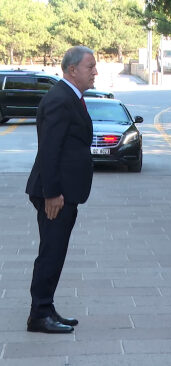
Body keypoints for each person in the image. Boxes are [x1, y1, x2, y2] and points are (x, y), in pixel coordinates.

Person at [25, 46, 97, 333]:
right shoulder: (59, 99)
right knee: (51, 252)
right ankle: (40, 314)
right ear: (71, 70)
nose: (95, 72)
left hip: (64, 190)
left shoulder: (70, 97)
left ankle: (46, 307)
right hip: (56, 193)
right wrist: (51, 193)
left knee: (55, 251)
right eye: (90, 66)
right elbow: (49, 150)